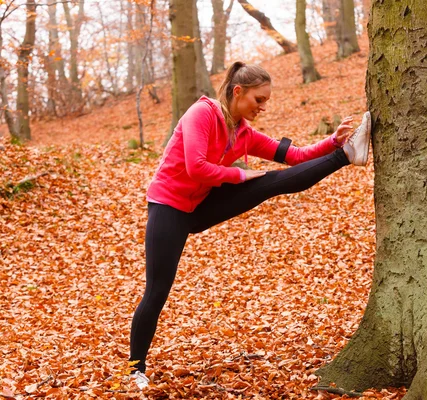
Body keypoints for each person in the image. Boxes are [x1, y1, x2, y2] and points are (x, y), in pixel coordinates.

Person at [128, 61, 371, 389]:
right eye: (259, 100)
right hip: (168, 206)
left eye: (266, 101)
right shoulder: (203, 115)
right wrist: (241, 174)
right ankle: (134, 368)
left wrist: (331, 142)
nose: (263, 107)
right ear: (238, 92)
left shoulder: (243, 133)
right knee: (157, 290)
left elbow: (295, 156)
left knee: (271, 182)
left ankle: (346, 154)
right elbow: (196, 167)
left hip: (201, 205)